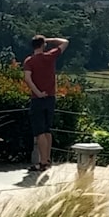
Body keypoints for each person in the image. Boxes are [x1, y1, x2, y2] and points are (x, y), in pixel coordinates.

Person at [22, 34, 68, 171]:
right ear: (43, 45)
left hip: (38, 99)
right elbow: (65, 41)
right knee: (47, 129)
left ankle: (42, 162)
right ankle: (47, 159)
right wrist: (49, 40)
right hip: (51, 97)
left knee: (39, 131)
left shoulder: (29, 61)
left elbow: (28, 79)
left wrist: (37, 92)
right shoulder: (50, 56)